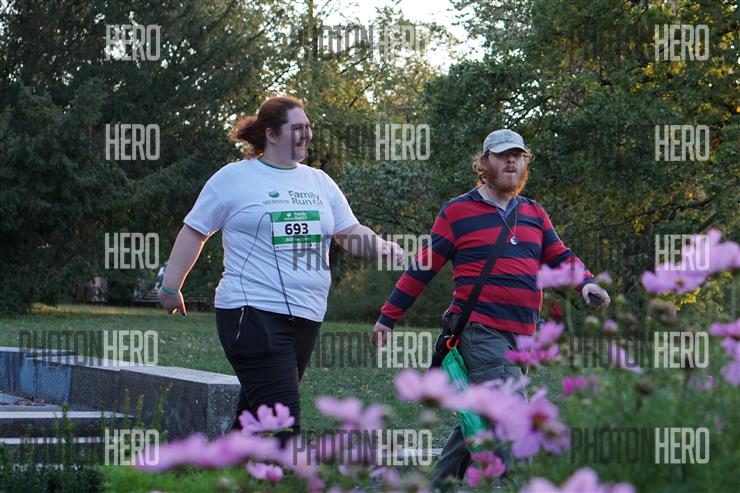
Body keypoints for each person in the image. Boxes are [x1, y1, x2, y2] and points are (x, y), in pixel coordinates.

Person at [372, 129, 610, 490]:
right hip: (480, 331)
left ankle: (436, 486)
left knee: (477, 420)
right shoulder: (457, 212)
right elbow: (423, 267)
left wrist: (587, 282)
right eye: (502, 154)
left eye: (518, 155)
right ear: (484, 163)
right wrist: (388, 316)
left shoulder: (533, 213)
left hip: (522, 338)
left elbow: (560, 255)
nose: (511, 160)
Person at [158, 95, 403, 443]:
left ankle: (224, 466)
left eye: (308, 128)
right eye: (297, 128)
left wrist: (381, 247)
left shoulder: (319, 182)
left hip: (306, 315)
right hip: (250, 312)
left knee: (256, 418)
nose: (307, 135)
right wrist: (171, 287)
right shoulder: (234, 178)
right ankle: (287, 468)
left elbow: (347, 231)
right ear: (271, 134)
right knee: (282, 421)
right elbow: (195, 231)